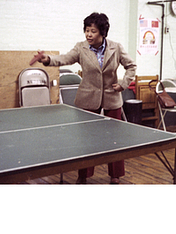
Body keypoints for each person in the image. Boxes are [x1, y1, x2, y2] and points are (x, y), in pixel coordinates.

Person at [36, 12, 137, 184]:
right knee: (86, 141)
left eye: (93, 31)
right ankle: (83, 175)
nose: (88, 34)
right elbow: (65, 58)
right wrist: (48, 59)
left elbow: (131, 66)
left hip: (112, 99)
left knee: (114, 139)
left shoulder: (116, 47)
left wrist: (123, 84)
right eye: (87, 30)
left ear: (103, 33)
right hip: (87, 99)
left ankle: (115, 175)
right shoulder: (80, 48)